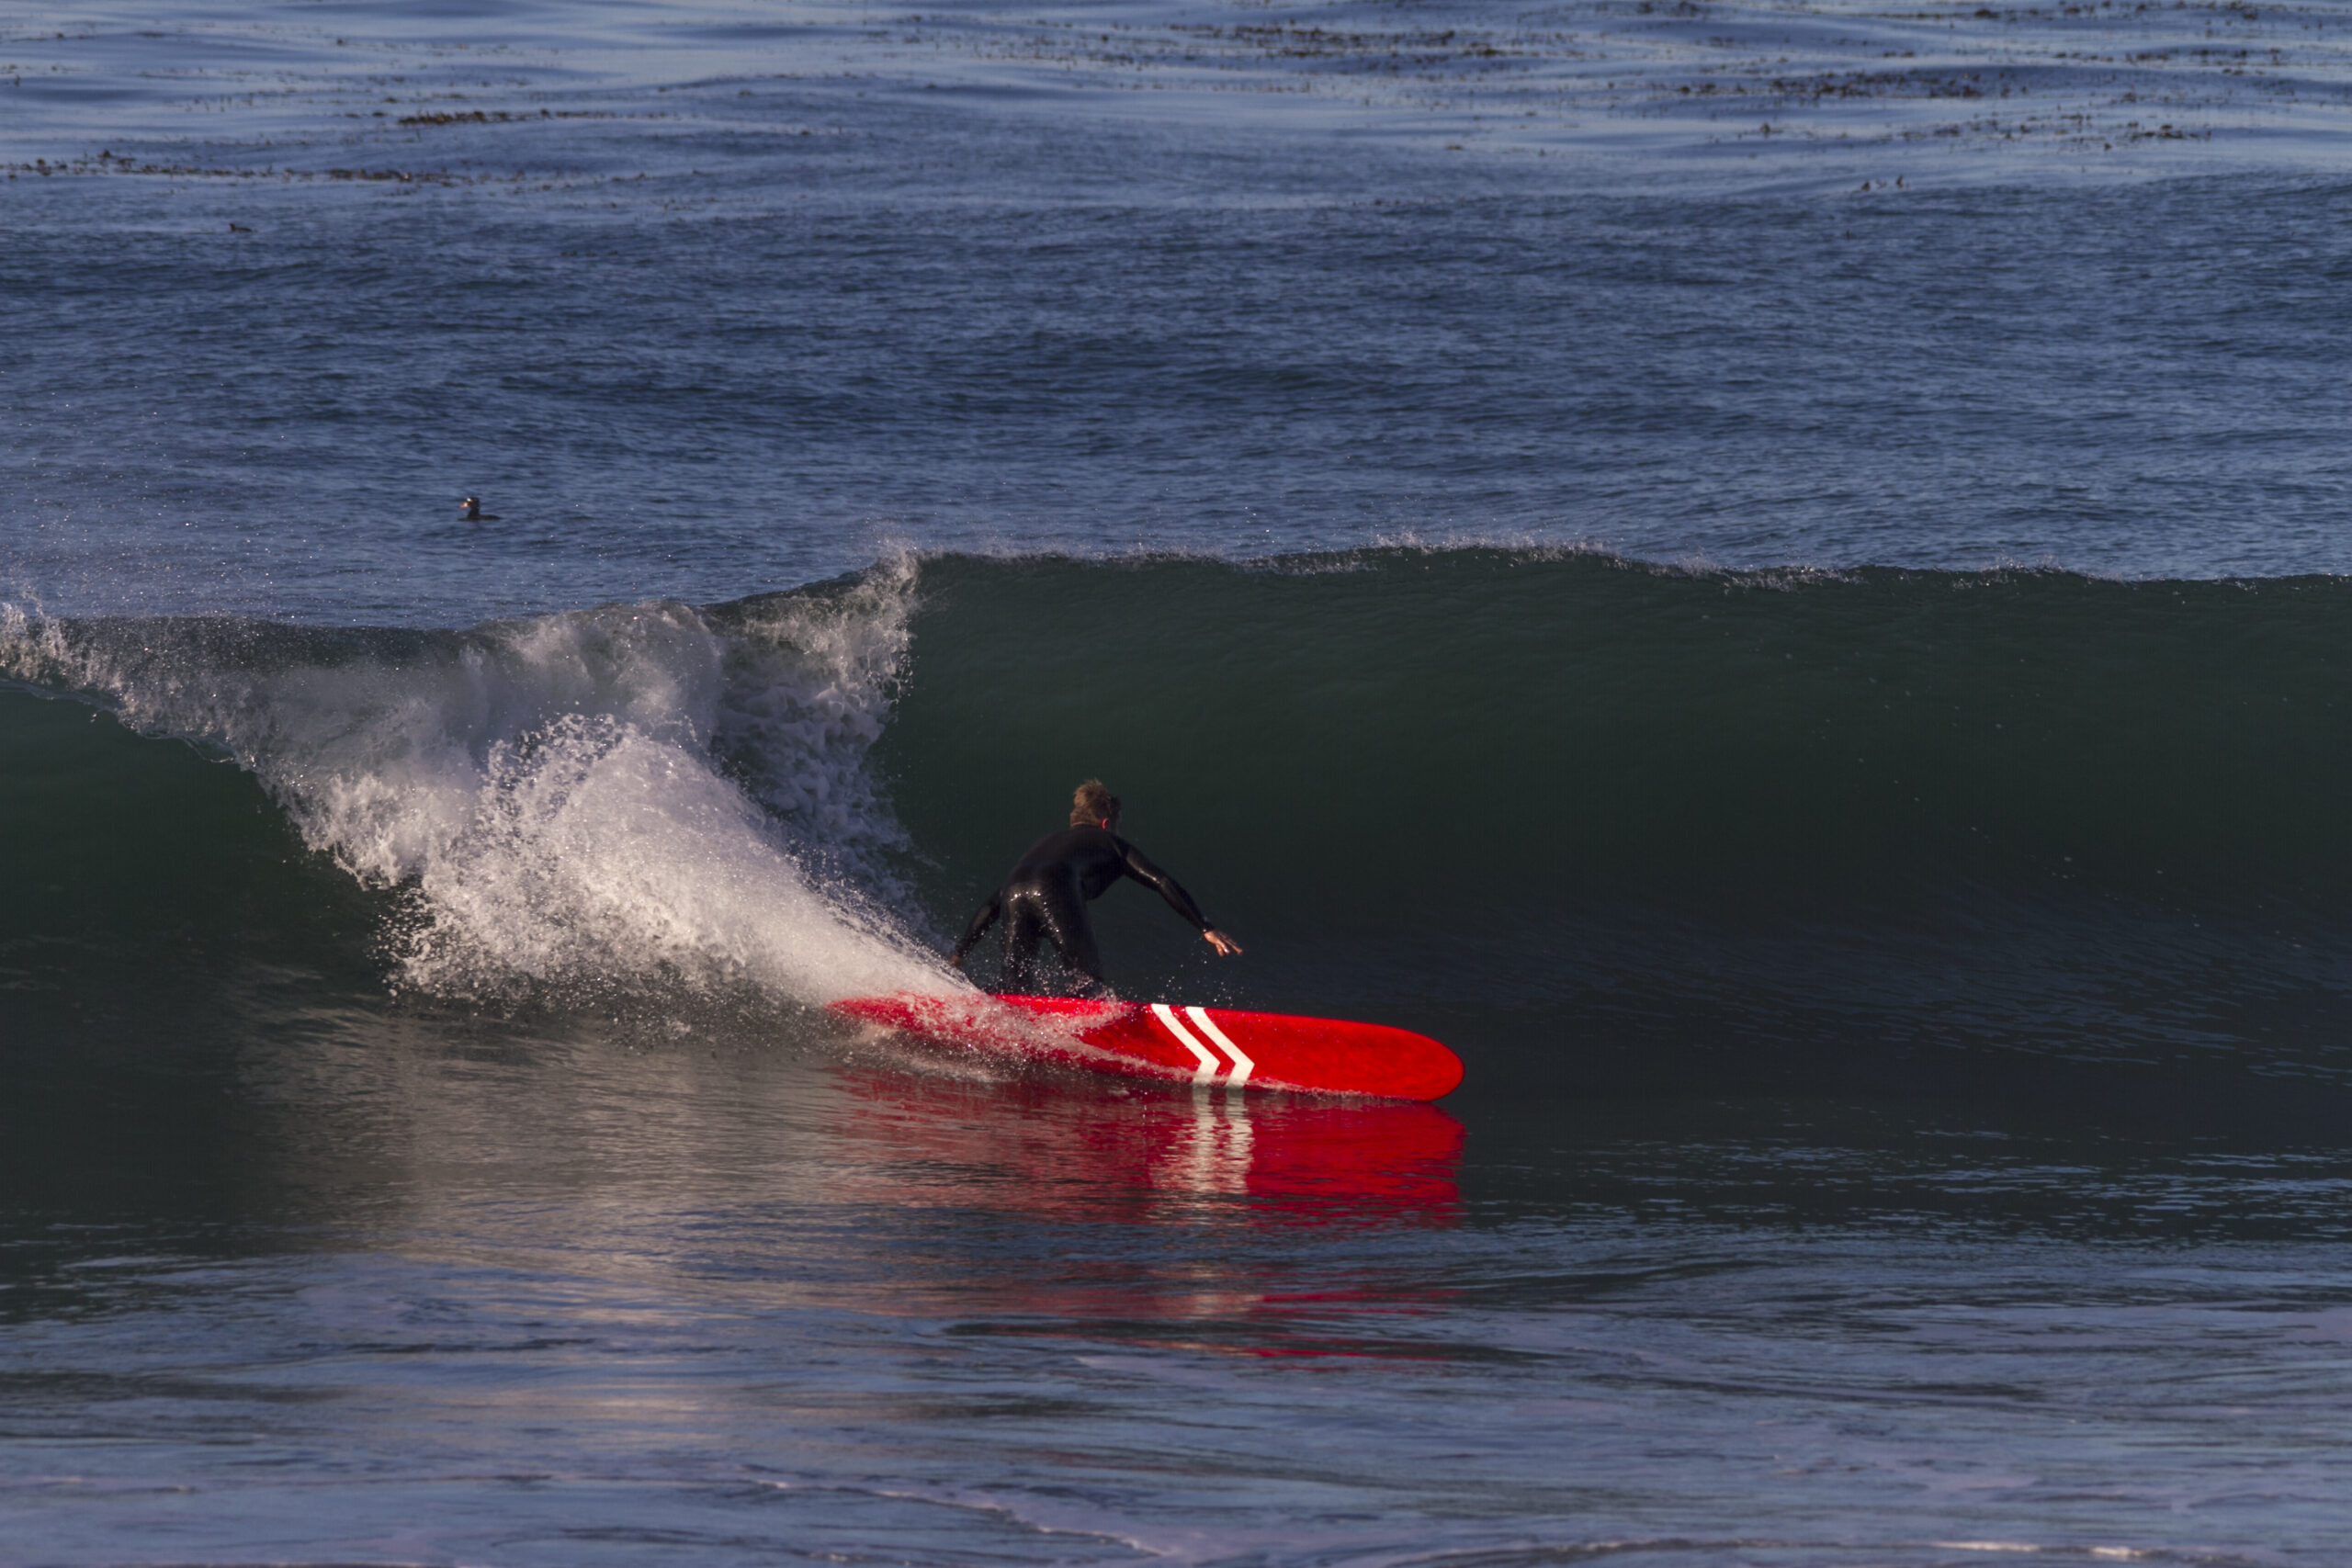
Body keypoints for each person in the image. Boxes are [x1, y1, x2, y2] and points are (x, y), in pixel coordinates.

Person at [950, 780, 1241, 994]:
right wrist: (1205, 926)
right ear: (1106, 824)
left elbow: (993, 904)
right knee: (1088, 982)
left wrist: (960, 952)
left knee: (1014, 987)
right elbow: (1160, 880)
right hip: (1054, 891)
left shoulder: (1044, 845)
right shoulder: (1110, 842)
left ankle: (977, 1012)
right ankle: (1085, 1038)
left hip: (1013, 890)